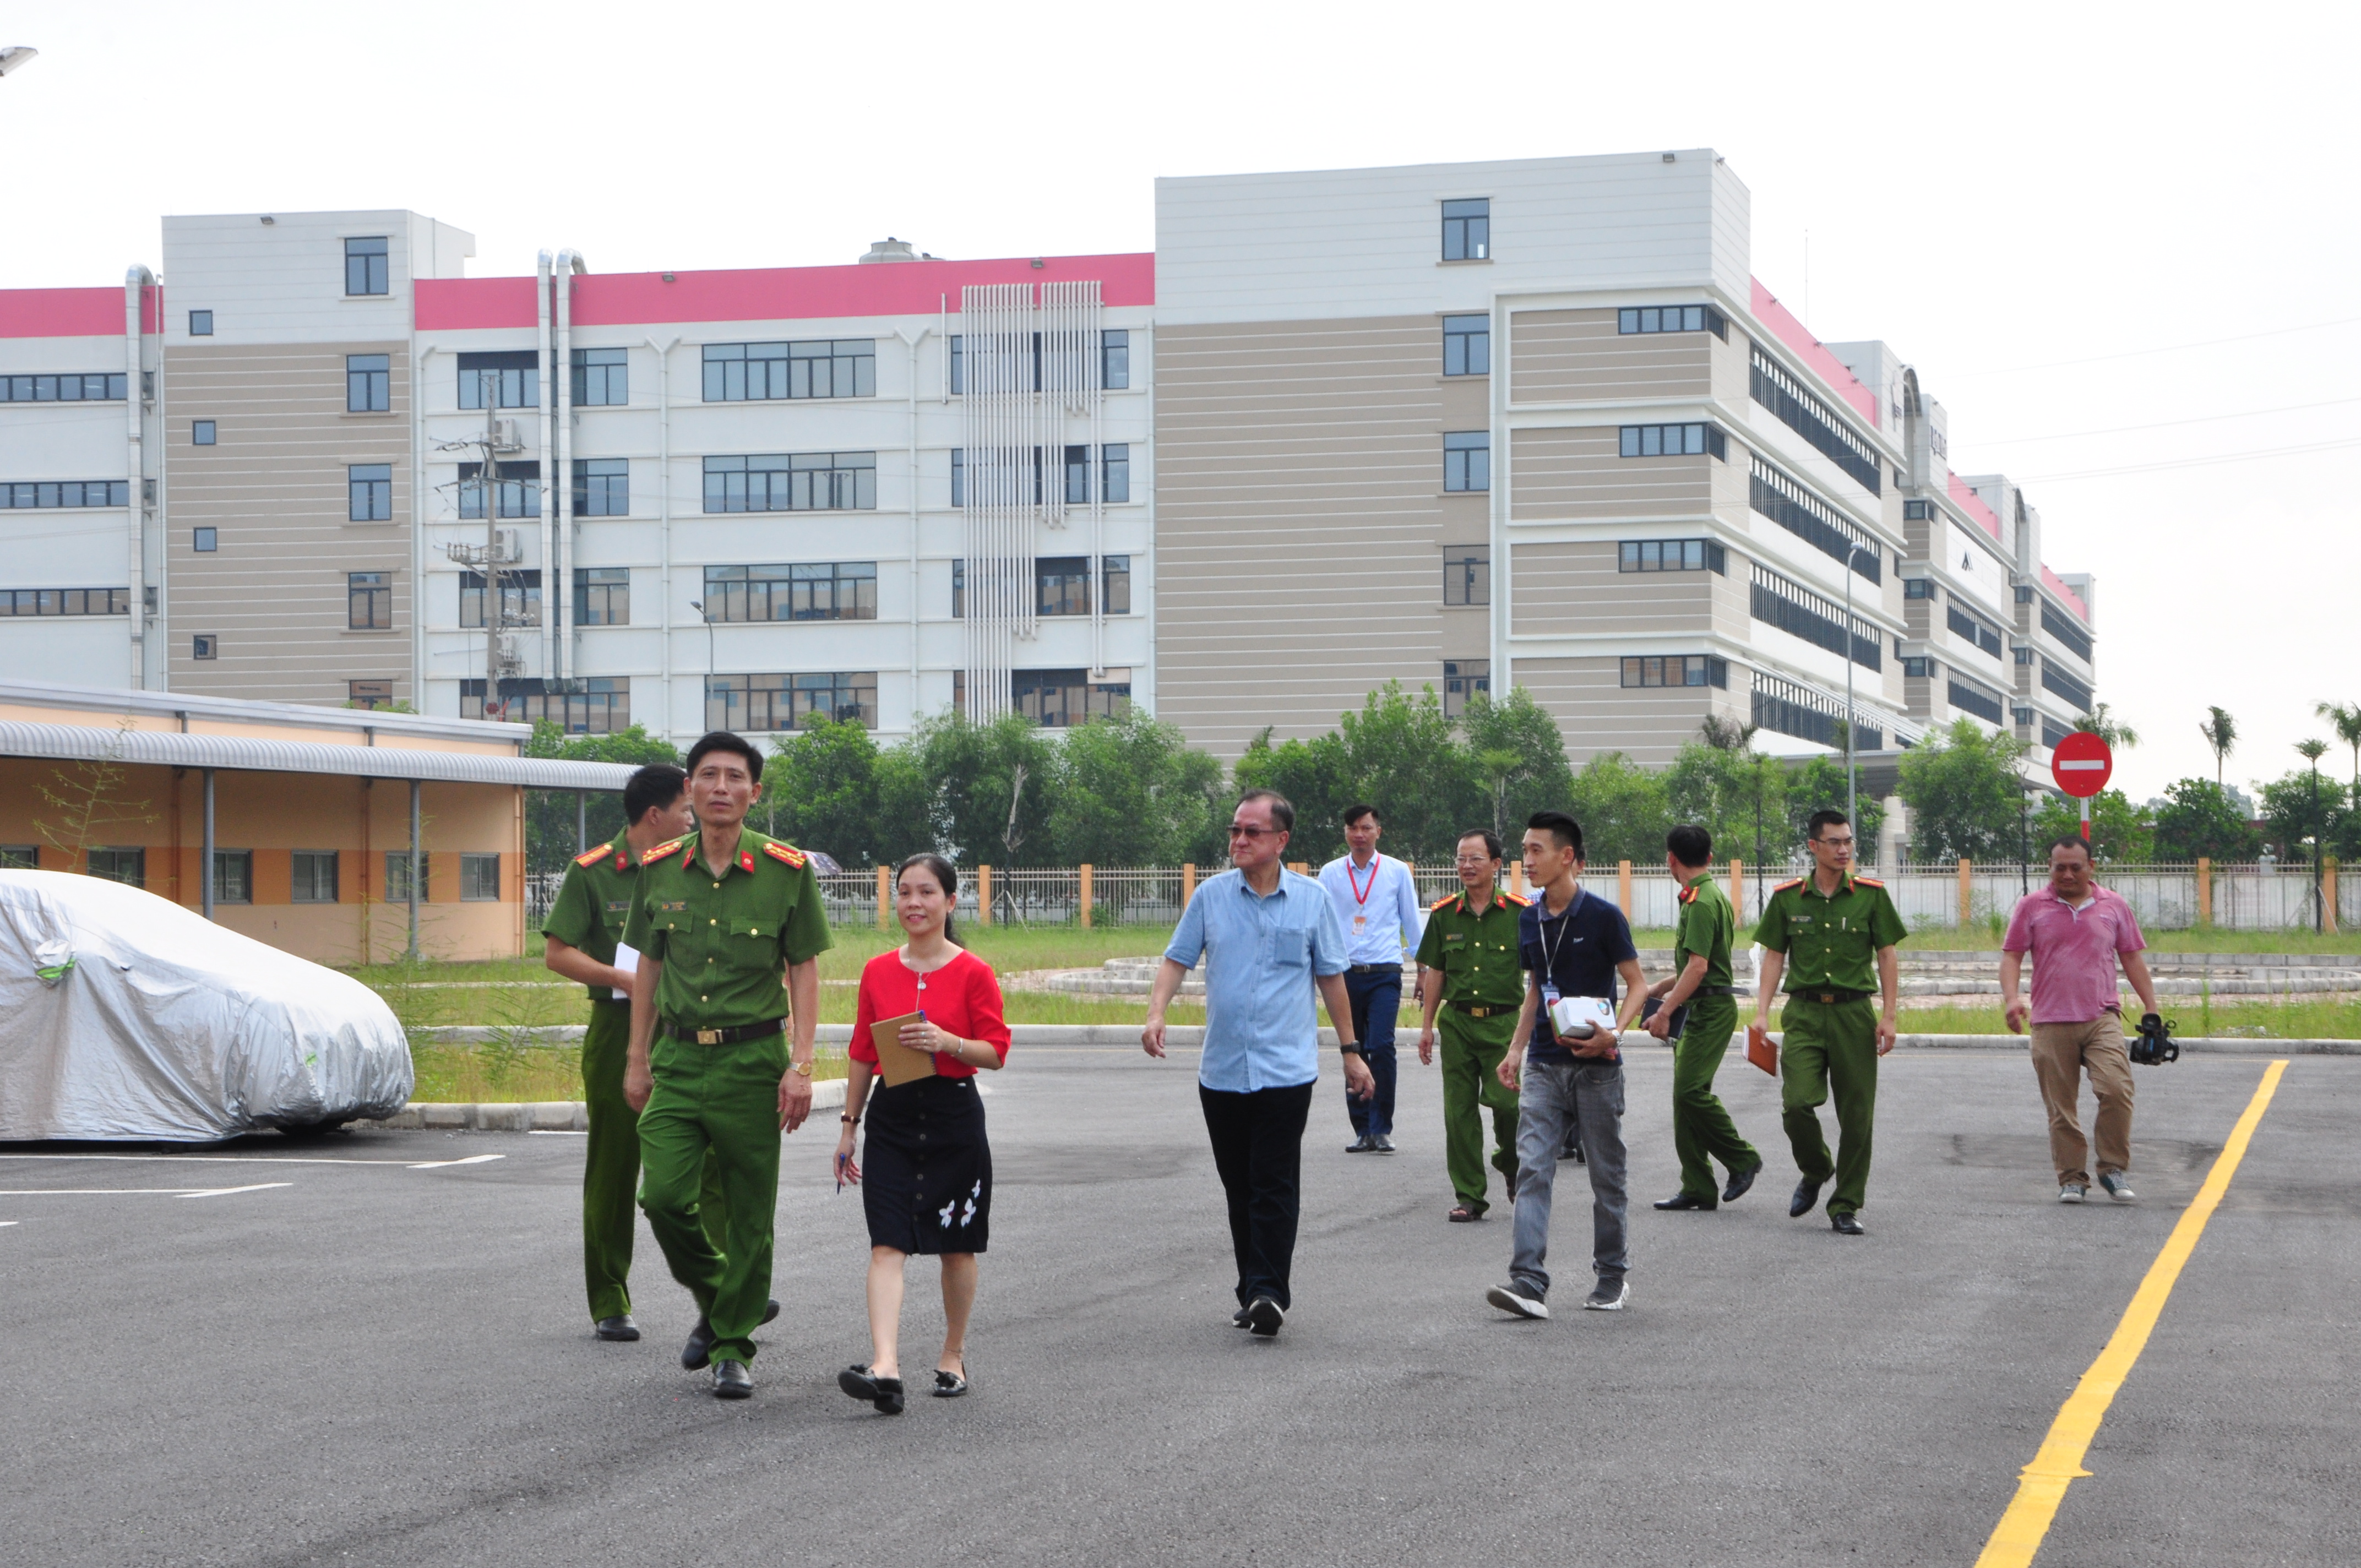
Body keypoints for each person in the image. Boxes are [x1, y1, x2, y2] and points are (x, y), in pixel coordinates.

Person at [621, 731, 832, 1399]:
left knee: (749, 1212)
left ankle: (734, 1347)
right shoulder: (659, 868)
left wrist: (801, 1063)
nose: (720, 787)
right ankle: (722, 1298)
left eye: (734, 777)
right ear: (688, 789)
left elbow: (804, 968)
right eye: (707, 775)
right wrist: (636, 1059)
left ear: (754, 792)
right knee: (661, 1197)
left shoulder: (785, 869)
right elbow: (647, 966)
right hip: (679, 1061)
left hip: (752, 1061)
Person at [1142, 790, 1373, 1338]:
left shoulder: (1312, 900)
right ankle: (1251, 1287)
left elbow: (1332, 978)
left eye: (1252, 832)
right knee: (1238, 1184)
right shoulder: (1211, 897)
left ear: (1281, 840)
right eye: (1235, 831)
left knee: (1272, 1179)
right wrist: (1156, 1012)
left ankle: (1269, 1290)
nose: (1239, 840)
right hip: (1221, 1070)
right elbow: (1177, 959)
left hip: (1286, 1069)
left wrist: (1350, 1052)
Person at [541, 763, 725, 1342]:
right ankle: (610, 1298)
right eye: (685, 810)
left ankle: (720, 1292)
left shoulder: (693, 868)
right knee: (616, 1168)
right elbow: (557, 952)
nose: (692, 819)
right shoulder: (594, 873)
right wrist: (622, 979)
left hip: (688, 1031)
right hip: (619, 1028)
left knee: (712, 1163)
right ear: (656, 815)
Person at [836, 854, 1009, 1414]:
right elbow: (863, 1052)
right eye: (904, 892)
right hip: (892, 1118)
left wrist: (948, 1041)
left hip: (953, 1117)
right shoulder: (878, 970)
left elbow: (996, 1051)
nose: (913, 902)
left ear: (951, 901)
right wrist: (848, 1126)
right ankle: (885, 1366)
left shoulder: (973, 972)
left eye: (926, 892)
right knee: (887, 1242)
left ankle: (952, 1354)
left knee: (955, 1246)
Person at [1486, 811, 1645, 1320]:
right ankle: (1529, 1282)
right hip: (1545, 1064)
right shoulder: (1528, 917)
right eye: (1524, 851)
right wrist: (1515, 1050)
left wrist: (1614, 1035)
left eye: (1536, 851)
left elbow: (1637, 984)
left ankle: (1612, 1276)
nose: (1526, 861)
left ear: (1567, 857)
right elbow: (1537, 987)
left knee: (1606, 1174)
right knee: (1532, 1168)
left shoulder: (1603, 916)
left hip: (1597, 1064)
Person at [1749, 809, 1905, 1238]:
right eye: (1834, 842)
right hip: (1804, 1011)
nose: (1844, 850)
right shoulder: (1787, 899)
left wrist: (1889, 1016)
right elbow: (1775, 956)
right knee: (1797, 1103)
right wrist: (1762, 1011)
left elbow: (1888, 954)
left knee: (1857, 1117)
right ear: (1813, 847)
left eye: (1849, 842)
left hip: (1855, 1014)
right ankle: (1817, 1167)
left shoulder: (1871, 896)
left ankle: (1846, 1204)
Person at [2001, 834, 2161, 1205]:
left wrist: (2151, 1008)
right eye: (2060, 867)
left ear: (2091, 867)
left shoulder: (2114, 906)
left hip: (2101, 1016)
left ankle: (2112, 1168)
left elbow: (2132, 957)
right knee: (2061, 1107)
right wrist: (2012, 999)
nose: (2068, 874)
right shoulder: (2032, 907)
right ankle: (2072, 1178)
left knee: (2117, 1090)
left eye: (2076, 867)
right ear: (2050, 868)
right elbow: (2012, 956)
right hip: (2049, 1021)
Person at [1646, 825, 1762, 1212]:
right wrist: (1661, 989)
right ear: (1710, 857)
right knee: (1685, 1097)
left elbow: (1698, 968)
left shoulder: (1700, 902)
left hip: (1709, 1009)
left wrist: (1664, 1011)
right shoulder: (1712, 895)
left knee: (1690, 1092)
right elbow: (1697, 967)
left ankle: (1742, 1158)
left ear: (1671, 859)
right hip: (1703, 1003)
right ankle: (1697, 1185)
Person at [1414, 829, 1527, 1222]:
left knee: (1508, 1106)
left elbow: (1542, 973)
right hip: (1458, 1025)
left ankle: (1510, 1162)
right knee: (1458, 1113)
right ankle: (1470, 1196)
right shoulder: (1445, 914)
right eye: (1461, 859)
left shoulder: (1520, 913)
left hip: (1503, 1027)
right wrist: (1427, 1027)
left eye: (1476, 859)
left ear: (1496, 864)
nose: (1466, 866)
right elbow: (1436, 972)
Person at [1318, 804, 1424, 1153]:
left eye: (1366, 828)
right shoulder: (1331, 874)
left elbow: (1412, 921)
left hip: (1384, 972)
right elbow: (1320, 923)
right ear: (1345, 832)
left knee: (1381, 1047)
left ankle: (1382, 1126)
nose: (1359, 835)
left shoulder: (1396, 872)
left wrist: (1422, 970)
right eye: (1353, 828)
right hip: (1344, 974)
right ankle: (1362, 1128)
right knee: (1354, 1047)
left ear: (1378, 831)